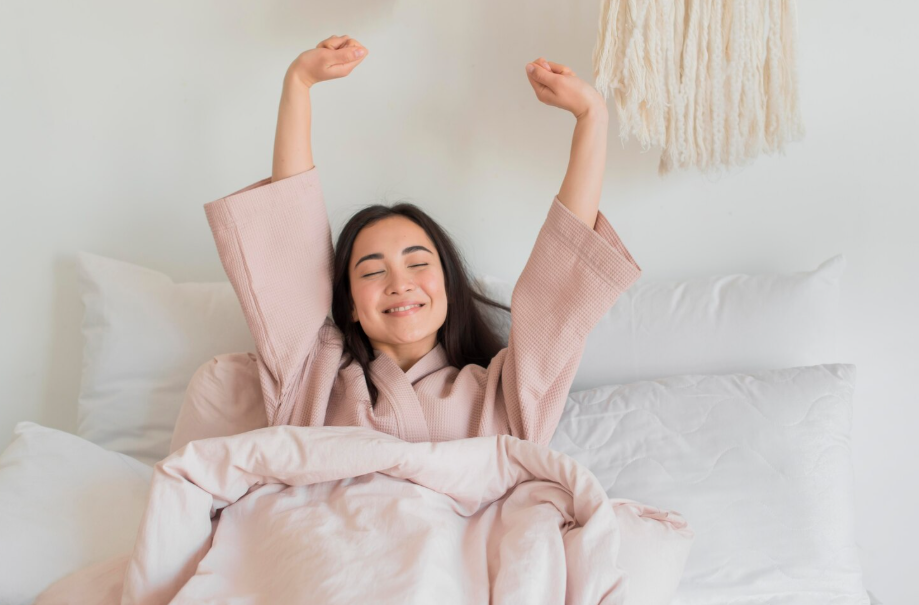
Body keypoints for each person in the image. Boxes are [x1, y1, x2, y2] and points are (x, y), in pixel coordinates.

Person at [196, 34, 642, 448]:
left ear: (447, 284)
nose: (399, 282)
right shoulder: (311, 381)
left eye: (417, 263)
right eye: (372, 270)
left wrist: (592, 118)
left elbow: (557, 289)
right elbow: (290, 238)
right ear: (349, 303)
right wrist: (298, 83)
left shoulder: (505, 398)